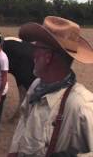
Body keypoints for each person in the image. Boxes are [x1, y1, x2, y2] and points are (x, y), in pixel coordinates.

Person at [8, 16, 93, 157]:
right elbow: (24, 119)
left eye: (36, 48)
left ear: (48, 57)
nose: (32, 53)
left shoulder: (82, 106)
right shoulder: (36, 85)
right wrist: (13, 151)